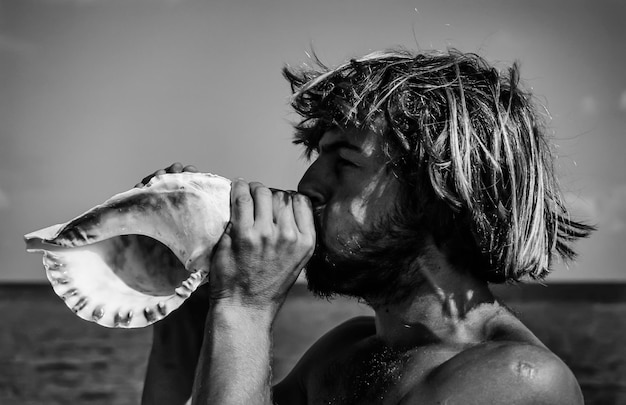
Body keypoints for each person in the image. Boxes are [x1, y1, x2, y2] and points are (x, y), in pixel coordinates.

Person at [140, 48, 593, 405]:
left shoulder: (519, 383)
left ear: (438, 193)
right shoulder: (345, 352)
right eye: (318, 158)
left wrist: (246, 307)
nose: (308, 184)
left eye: (345, 161)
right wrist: (191, 303)